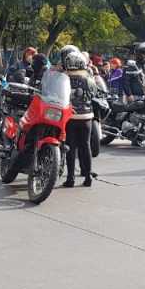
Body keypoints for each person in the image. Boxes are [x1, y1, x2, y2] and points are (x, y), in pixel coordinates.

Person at [62, 51, 98, 187]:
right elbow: (94, 93)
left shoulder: (64, 78)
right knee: (85, 146)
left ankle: (70, 178)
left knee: (70, 147)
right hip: (87, 117)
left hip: (70, 117)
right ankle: (87, 177)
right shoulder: (89, 77)